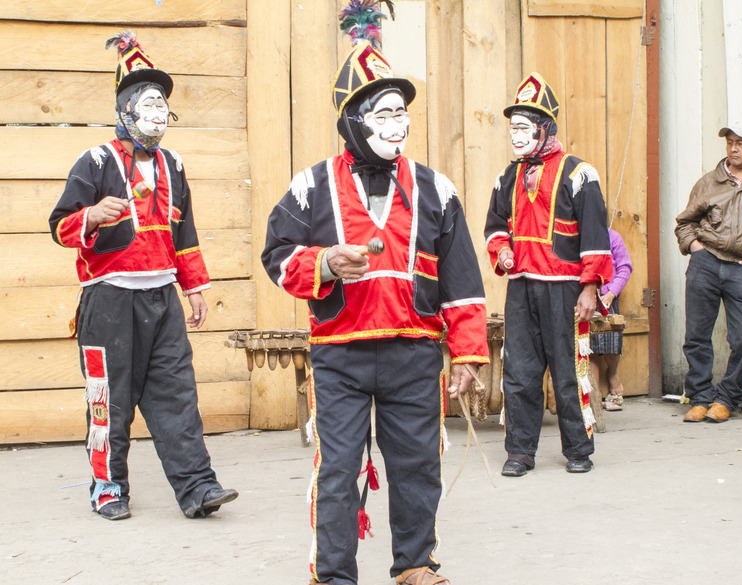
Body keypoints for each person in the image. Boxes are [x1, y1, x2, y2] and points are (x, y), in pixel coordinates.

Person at [262, 7, 489, 584]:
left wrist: (467, 353)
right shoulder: (310, 185)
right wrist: (324, 263)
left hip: (415, 351)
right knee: (338, 469)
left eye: (402, 112)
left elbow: (462, 278)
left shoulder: (437, 188)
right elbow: (276, 256)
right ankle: (334, 574)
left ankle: (415, 564)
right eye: (383, 113)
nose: (398, 124)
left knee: (418, 464)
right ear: (352, 122)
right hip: (339, 354)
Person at [48, 32, 237, 520]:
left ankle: (198, 487)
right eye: (148, 103)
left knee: (177, 393)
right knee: (109, 397)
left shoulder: (174, 165)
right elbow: (59, 227)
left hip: (162, 299)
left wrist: (194, 287)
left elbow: (185, 233)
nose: (158, 112)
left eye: (163, 105)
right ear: (125, 110)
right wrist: (90, 217)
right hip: (109, 301)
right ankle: (109, 486)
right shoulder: (94, 162)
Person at [484, 72, 613, 477]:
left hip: (566, 291)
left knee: (568, 372)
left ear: (545, 128)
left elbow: (595, 235)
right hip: (522, 289)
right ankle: (519, 452)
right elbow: (494, 225)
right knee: (520, 372)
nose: (516, 136)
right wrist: (503, 251)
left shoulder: (580, 174)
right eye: (512, 129)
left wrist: (590, 286)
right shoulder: (508, 176)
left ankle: (578, 448)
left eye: (523, 128)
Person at [675, 120, 742, 423]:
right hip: (706, 262)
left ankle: (727, 397)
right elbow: (685, 222)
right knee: (696, 335)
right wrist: (695, 248)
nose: (733, 148)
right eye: (729, 142)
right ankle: (699, 396)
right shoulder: (709, 181)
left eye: (741, 142)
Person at [590, 228, 633, 411]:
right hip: (584, 298)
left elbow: (624, 268)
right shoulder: (577, 236)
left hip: (608, 297)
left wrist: (611, 293)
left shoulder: (613, 236)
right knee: (589, 347)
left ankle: (613, 375)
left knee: (611, 345)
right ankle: (594, 393)